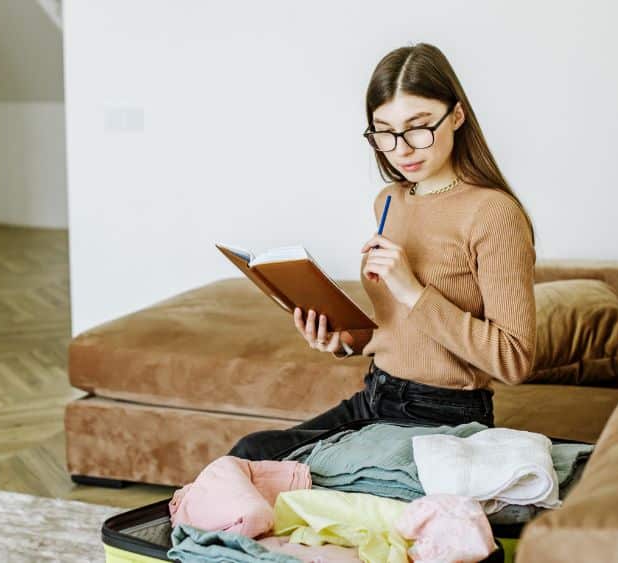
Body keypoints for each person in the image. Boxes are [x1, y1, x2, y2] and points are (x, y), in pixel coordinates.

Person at [228, 42, 538, 461]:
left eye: (418, 127)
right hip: (376, 395)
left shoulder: (493, 213)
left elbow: (515, 360)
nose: (402, 148)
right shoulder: (389, 201)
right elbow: (399, 332)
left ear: (457, 115)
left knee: (283, 475)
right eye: (385, 132)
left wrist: (413, 291)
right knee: (249, 454)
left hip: (444, 416)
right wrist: (344, 339)